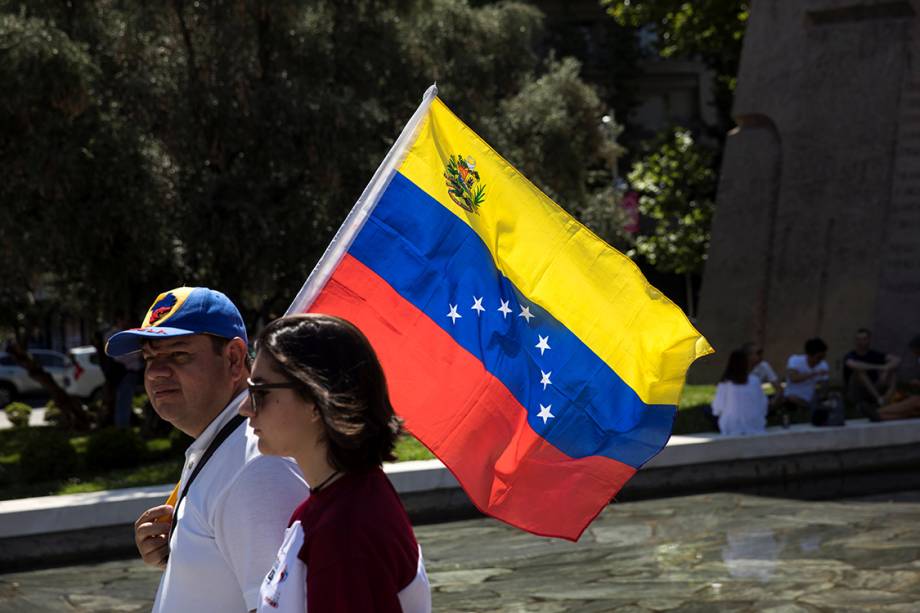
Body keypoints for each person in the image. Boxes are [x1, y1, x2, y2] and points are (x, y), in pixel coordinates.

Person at [106, 287, 308, 613]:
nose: (156, 372)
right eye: (149, 358)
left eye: (178, 354)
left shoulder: (258, 466)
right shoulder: (225, 444)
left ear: (233, 358)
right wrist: (190, 553)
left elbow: (280, 607)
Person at [241, 313, 431, 612]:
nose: (245, 408)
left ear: (316, 399)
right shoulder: (338, 502)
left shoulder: (345, 533)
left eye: (260, 392)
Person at [844, 328, 901, 418]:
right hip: (856, 392)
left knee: (892, 371)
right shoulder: (850, 355)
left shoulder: (874, 354)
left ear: (869, 340)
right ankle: (879, 399)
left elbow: (897, 360)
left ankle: (885, 401)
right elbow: (852, 364)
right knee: (859, 372)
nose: (861, 342)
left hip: (874, 387)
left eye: (864, 339)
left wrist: (886, 369)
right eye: (858, 339)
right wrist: (880, 367)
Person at [712, 349, 768, 435]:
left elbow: (717, 408)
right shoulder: (755, 381)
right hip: (755, 425)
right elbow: (763, 404)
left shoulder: (725, 383)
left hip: (731, 427)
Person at [784, 337, 830, 417]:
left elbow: (824, 386)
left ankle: (810, 409)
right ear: (809, 355)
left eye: (823, 357)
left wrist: (822, 392)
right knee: (791, 399)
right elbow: (793, 378)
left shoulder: (823, 365)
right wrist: (814, 373)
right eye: (818, 357)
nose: (821, 360)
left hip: (810, 399)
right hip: (792, 397)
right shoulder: (795, 360)